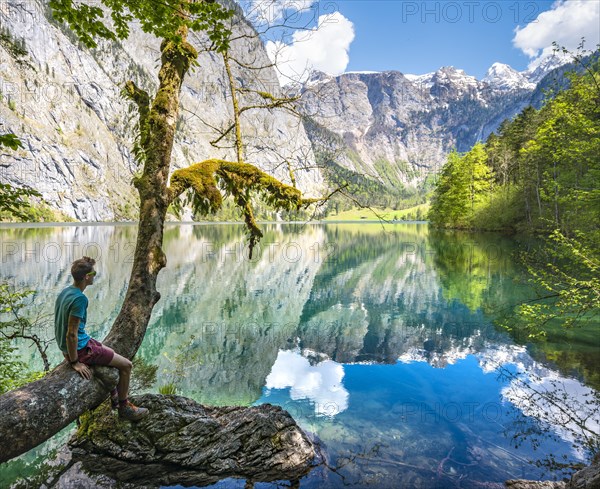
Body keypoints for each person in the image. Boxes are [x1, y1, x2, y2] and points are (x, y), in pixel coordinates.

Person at [54, 256, 148, 421]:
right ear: (87, 277)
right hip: (81, 350)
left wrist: (66, 352)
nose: (95, 275)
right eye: (93, 272)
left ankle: (113, 394)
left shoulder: (66, 292)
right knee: (126, 365)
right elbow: (71, 334)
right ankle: (124, 407)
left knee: (110, 351)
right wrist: (75, 362)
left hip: (72, 346)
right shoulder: (79, 299)